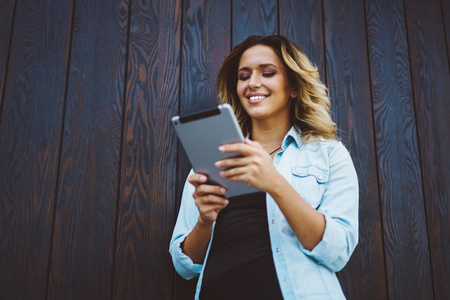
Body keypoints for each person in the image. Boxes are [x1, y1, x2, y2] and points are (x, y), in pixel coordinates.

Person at [169, 35, 358, 299]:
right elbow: (184, 265)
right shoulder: (213, 158)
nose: (253, 83)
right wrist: (204, 221)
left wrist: (275, 183)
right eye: (244, 76)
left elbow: (337, 252)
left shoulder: (328, 154)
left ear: (293, 86)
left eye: (267, 73)